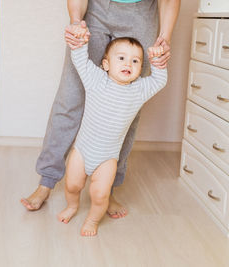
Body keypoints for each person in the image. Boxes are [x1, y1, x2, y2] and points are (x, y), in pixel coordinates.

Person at [21, 0, 180, 217]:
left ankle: (108, 189)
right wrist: (76, 22)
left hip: (142, 13)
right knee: (69, 98)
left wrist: (165, 37)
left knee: (127, 107)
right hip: (96, 8)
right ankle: (46, 182)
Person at [58, 30, 167, 236]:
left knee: (100, 195)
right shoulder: (96, 80)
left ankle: (92, 219)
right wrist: (80, 42)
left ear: (141, 68)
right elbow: (80, 60)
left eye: (136, 61)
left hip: (107, 157)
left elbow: (159, 81)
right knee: (72, 185)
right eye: (122, 58)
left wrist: (158, 61)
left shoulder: (139, 90)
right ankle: (72, 206)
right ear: (106, 64)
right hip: (82, 150)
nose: (128, 64)